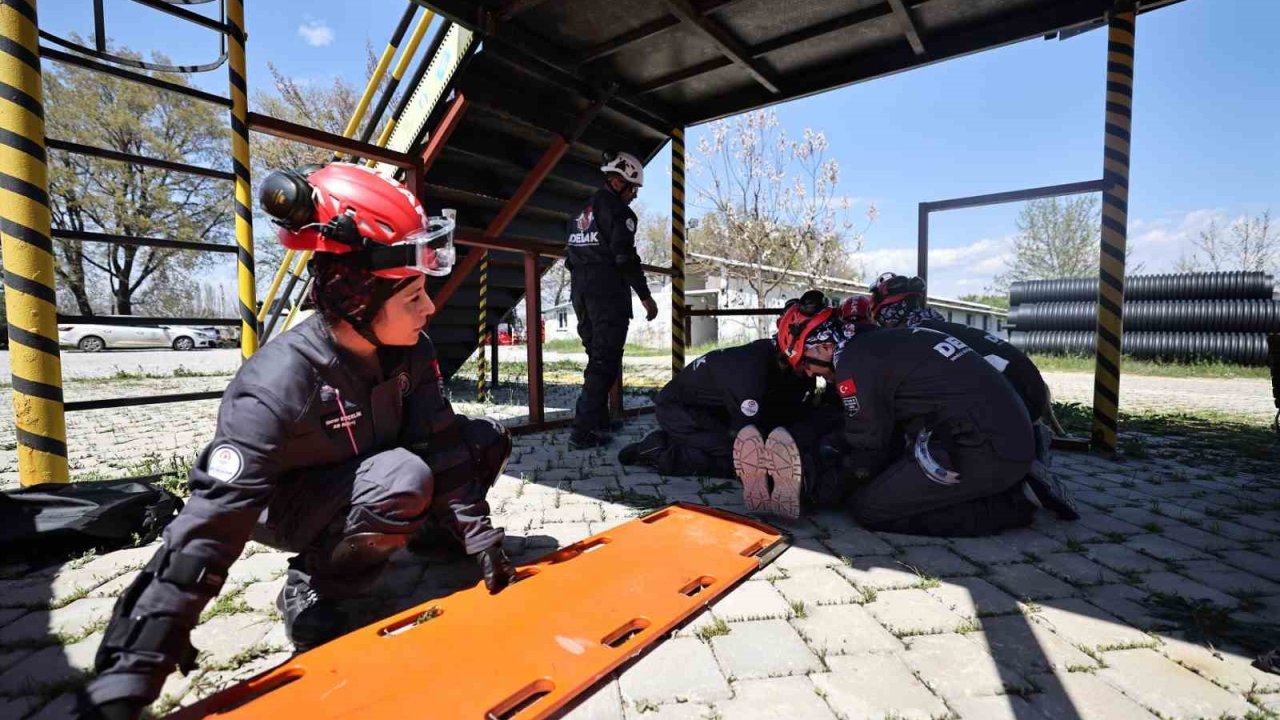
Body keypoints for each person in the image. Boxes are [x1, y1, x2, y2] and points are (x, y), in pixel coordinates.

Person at [85, 163, 516, 720]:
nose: (429, 308)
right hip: (293, 506)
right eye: (413, 297)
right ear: (360, 300)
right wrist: (134, 663)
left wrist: (479, 538)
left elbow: (441, 439)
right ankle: (317, 581)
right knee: (403, 477)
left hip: (371, 473)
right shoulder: (275, 381)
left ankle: (436, 538)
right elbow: (210, 525)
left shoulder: (413, 350)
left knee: (481, 439)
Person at [769, 302, 1047, 536]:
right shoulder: (877, 343)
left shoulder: (854, 365)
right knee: (884, 474)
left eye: (805, 362)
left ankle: (1014, 503)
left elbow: (868, 449)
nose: (807, 373)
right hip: (998, 434)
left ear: (825, 348)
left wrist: (822, 490)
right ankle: (1010, 479)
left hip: (985, 448)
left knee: (870, 508)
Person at [867, 272, 1076, 519]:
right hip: (1029, 388)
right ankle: (1036, 462)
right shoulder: (937, 325)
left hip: (1011, 400)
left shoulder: (916, 336)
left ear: (888, 310)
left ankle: (1016, 480)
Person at [616, 332, 815, 485]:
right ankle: (655, 451)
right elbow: (747, 441)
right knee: (734, 460)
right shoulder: (753, 373)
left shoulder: (775, 357)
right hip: (679, 411)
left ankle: (688, 440)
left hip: (714, 411)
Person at [565, 151, 658, 449]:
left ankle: (598, 421)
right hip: (607, 293)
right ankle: (582, 432)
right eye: (633, 188)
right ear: (618, 183)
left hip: (580, 289)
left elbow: (570, 256)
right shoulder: (620, 213)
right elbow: (625, 257)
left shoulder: (581, 210)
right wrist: (645, 297)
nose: (633, 196)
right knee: (604, 362)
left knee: (597, 357)